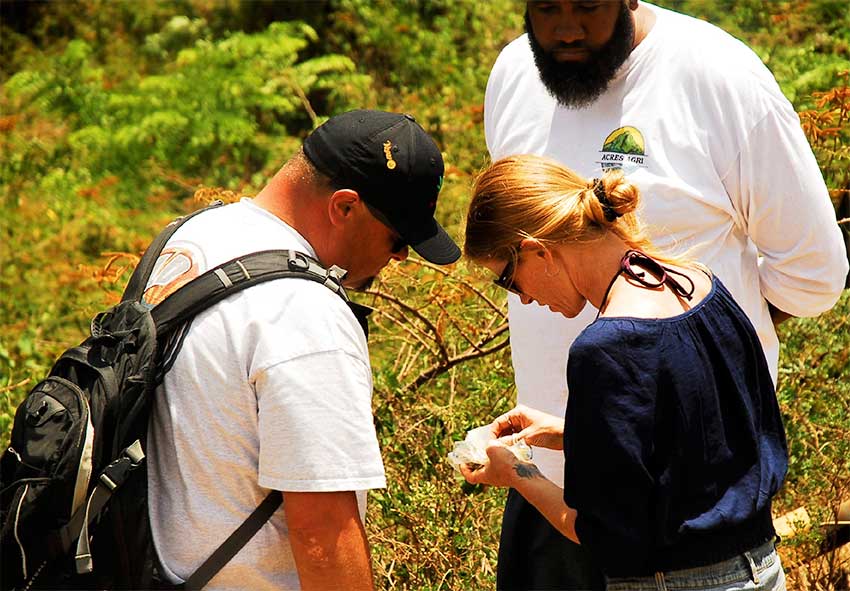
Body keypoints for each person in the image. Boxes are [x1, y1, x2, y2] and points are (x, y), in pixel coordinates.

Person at [484, 1, 848, 587]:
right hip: (581, 483)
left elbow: (813, 272)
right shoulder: (512, 74)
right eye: (546, 6)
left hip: (665, 527)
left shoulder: (719, 75)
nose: (566, 27)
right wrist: (581, 431)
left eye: (586, 4)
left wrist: (672, 370)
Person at [141, 109, 461, 590]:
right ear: (345, 207)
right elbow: (323, 535)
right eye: (398, 236)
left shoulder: (191, 238)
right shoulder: (305, 313)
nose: (400, 256)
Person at [461, 153, 789, 590]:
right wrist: (574, 435)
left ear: (537, 250)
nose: (521, 298)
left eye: (508, 279)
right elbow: (711, 445)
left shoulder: (605, 347)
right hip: (763, 569)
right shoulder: (701, 284)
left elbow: (603, 535)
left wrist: (519, 476)